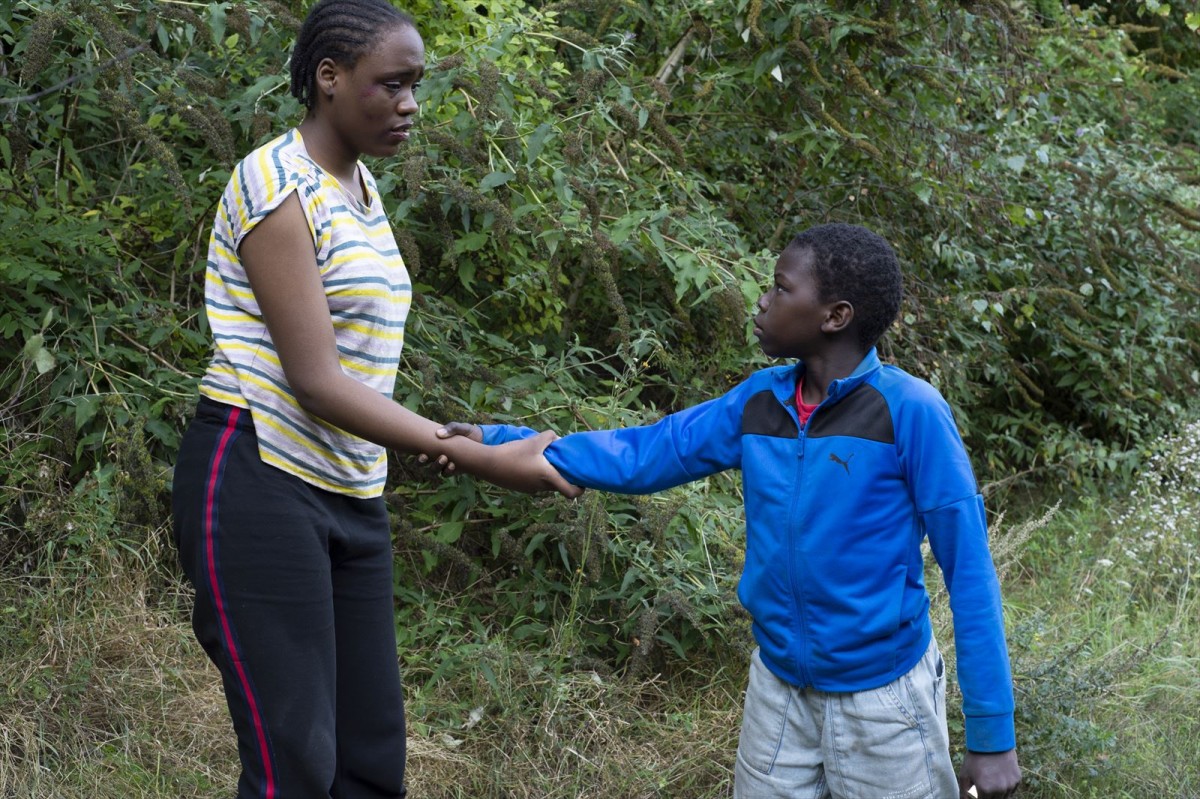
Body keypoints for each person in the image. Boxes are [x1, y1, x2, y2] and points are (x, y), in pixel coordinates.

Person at [437, 223, 1021, 798]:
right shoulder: (760, 400)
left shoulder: (910, 411)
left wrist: (993, 737)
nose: (762, 301)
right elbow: (650, 451)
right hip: (778, 688)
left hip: (884, 700)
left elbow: (969, 571)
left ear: (835, 316)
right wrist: (501, 441)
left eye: (781, 288)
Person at [170, 2, 579, 797]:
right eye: (391, 84)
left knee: (370, 758)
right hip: (257, 478)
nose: (410, 104)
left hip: (353, 492)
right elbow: (317, 380)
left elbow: (357, 370)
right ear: (329, 78)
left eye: (416, 86)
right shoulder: (274, 179)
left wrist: (445, 432)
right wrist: (475, 454)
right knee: (296, 763)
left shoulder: (358, 188)